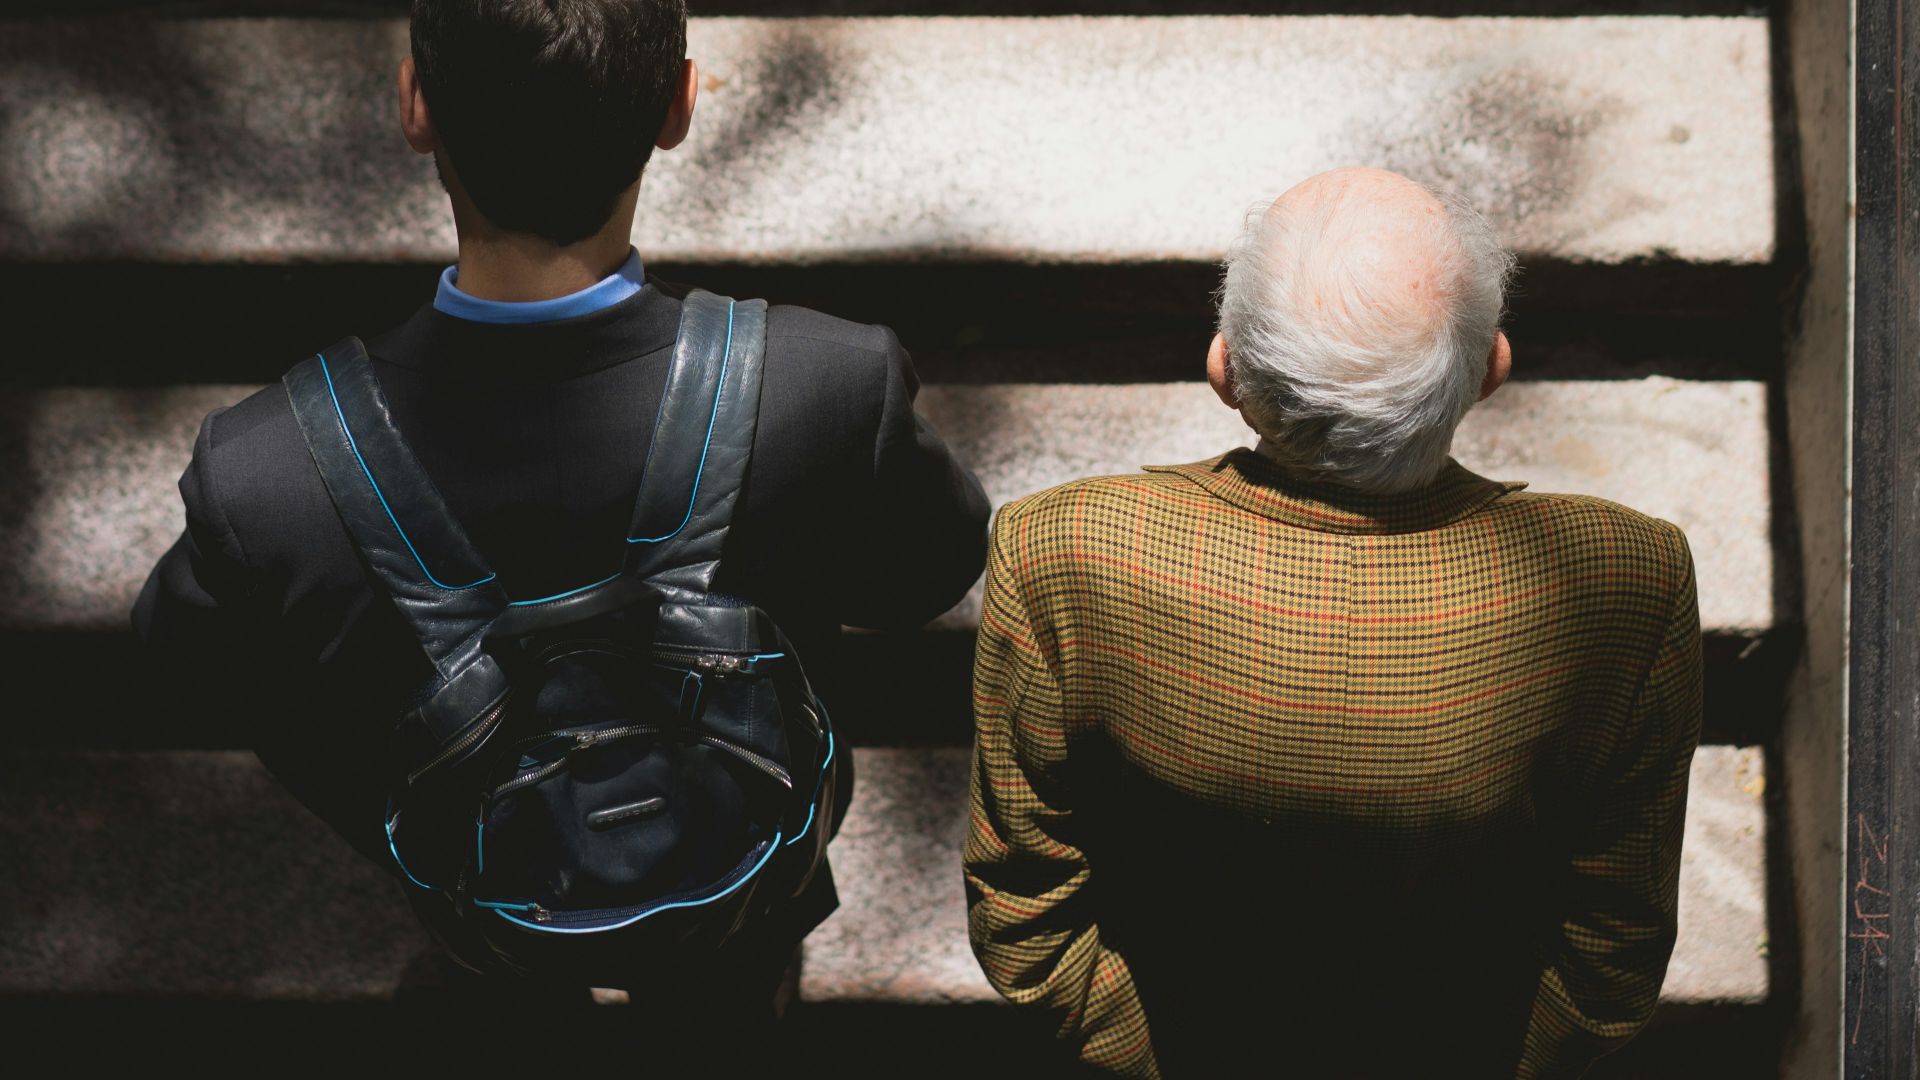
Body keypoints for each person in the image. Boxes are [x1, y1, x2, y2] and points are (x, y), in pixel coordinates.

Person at [133, 0, 988, 1035]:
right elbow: (929, 574)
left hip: (473, 886)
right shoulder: (826, 385)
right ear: (678, 104)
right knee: (731, 997)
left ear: (415, 106)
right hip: (747, 864)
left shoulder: (265, 468)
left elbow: (187, 672)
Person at [963, 167, 1703, 1078]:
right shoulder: (1631, 580)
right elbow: (1613, 947)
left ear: (1223, 369)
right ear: (1492, 369)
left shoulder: (1062, 551)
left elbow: (1023, 911)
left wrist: (1148, 1056)